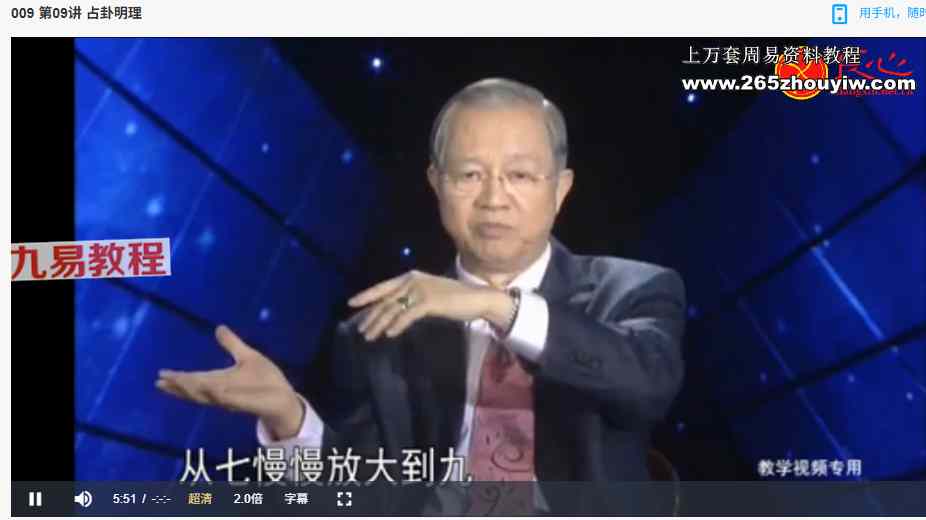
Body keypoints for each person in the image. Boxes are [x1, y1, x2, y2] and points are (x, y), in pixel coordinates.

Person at [156, 77, 686, 514]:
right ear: (436, 183)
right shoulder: (379, 329)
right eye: (470, 175)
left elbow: (648, 381)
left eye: (520, 175)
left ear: (560, 188)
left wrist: (496, 307)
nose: (494, 198)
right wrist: (290, 420)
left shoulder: (634, 289)